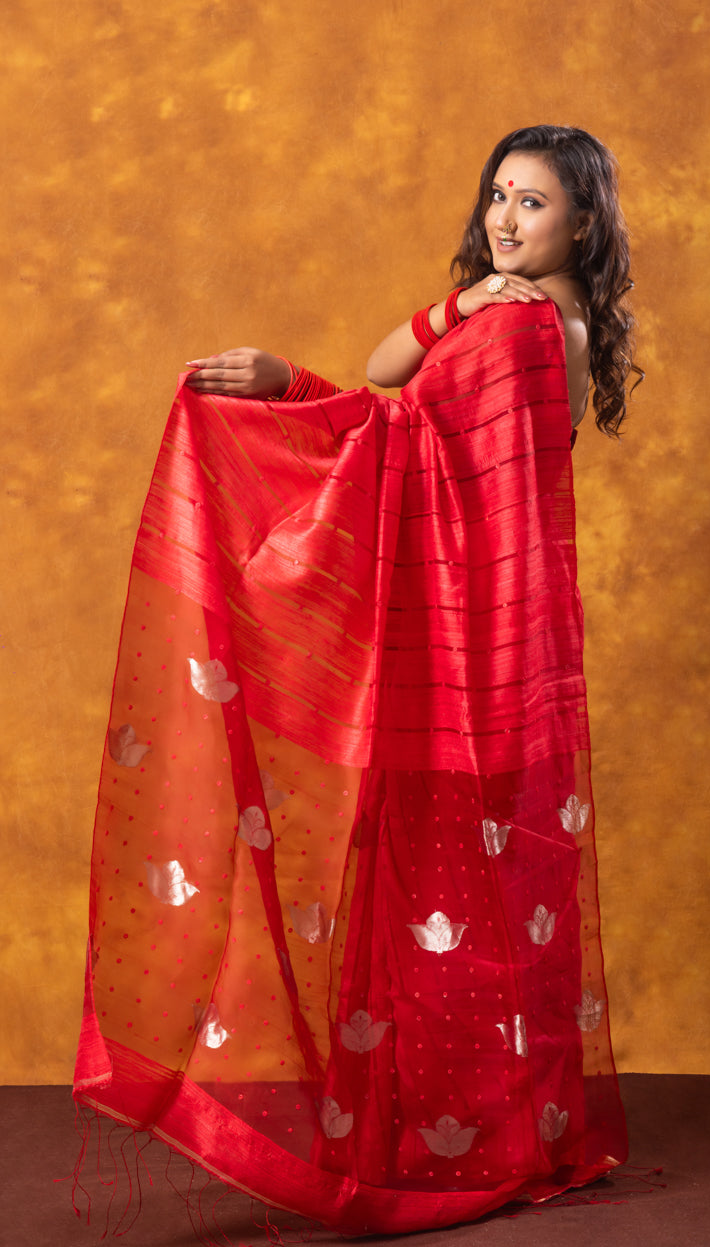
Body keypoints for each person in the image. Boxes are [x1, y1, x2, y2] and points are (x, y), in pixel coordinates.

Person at [73, 125, 640, 1238]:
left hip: (475, 651)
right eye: (497, 197)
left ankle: (463, 1143)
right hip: (503, 643)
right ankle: (496, 1126)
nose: (506, 220)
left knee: (450, 894)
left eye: (534, 204)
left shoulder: (533, 326)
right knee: (475, 899)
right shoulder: (514, 310)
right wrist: (456, 305)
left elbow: (409, 437)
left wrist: (286, 393)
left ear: (585, 221)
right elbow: (397, 376)